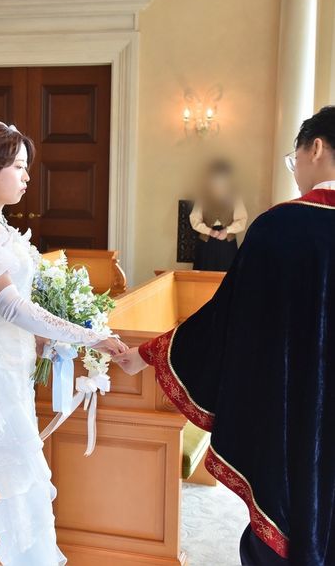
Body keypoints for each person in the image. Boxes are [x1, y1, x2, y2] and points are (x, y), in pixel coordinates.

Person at [113, 106, 335, 565]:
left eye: (294, 160)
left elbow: (226, 320)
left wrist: (150, 353)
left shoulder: (281, 227)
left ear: (315, 148)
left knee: (289, 519)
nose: (295, 171)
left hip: (293, 415)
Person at [0, 121, 126, 565]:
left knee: (18, 478)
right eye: (19, 166)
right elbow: (10, 307)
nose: (27, 177)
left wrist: (42, 339)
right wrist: (90, 337)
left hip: (11, 367)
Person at [189, 159, 247, 271]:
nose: (219, 180)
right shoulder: (203, 195)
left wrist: (227, 230)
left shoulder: (234, 195)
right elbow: (194, 219)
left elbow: (242, 220)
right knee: (204, 273)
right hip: (206, 242)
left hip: (227, 243)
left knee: (227, 275)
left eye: (222, 177)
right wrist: (209, 231)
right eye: (216, 176)